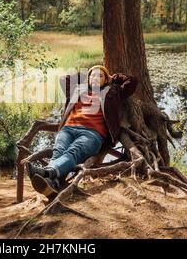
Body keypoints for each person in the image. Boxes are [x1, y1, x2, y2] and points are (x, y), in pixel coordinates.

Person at [26, 65, 138, 199]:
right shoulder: (77, 90)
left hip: (92, 134)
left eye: (100, 76)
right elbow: (64, 79)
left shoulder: (112, 93)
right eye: (93, 75)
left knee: (73, 151)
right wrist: (87, 74)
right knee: (58, 151)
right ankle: (52, 183)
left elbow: (133, 81)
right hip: (68, 129)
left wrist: (113, 77)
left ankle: (47, 172)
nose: (96, 78)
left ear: (106, 80)